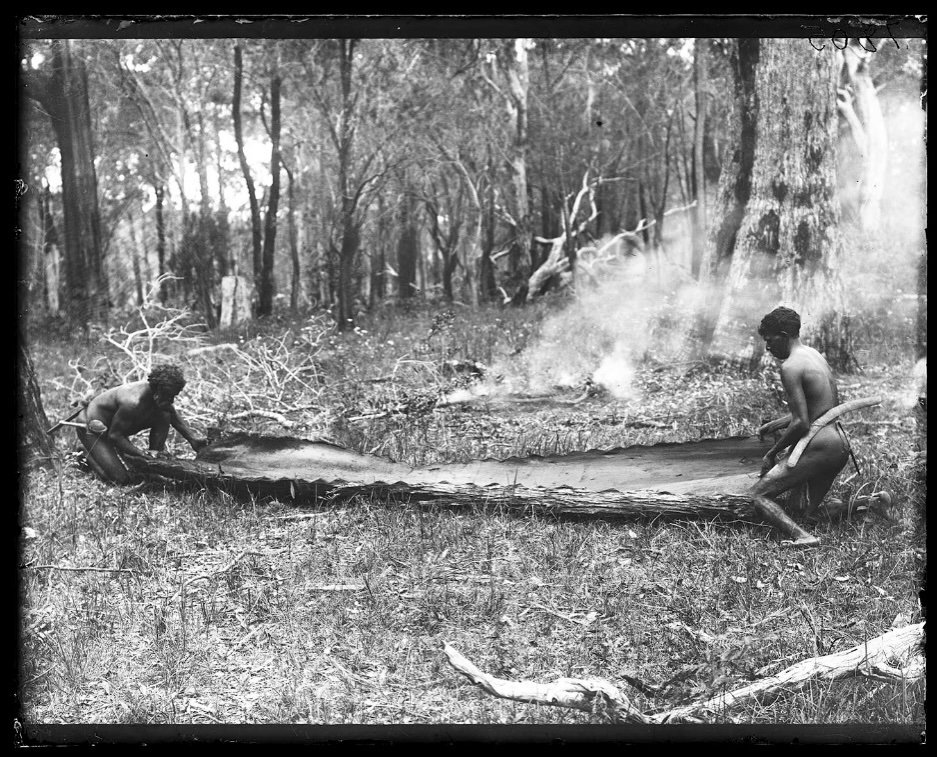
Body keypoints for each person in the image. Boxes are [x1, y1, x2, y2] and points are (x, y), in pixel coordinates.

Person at [749, 307, 851, 548]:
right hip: (839, 444)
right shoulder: (814, 355)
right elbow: (819, 408)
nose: (768, 347)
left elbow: (802, 423)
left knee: (757, 495)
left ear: (784, 336)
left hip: (820, 446)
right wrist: (774, 425)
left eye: (770, 340)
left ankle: (803, 537)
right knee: (803, 512)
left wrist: (772, 453)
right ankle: (870, 502)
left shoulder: (790, 366)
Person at [76, 362, 208, 485]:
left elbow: (173, 416)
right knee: (120, 479)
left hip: (116, 427)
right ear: (158, 392)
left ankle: (154, 457)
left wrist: (194, 439)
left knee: (165, 413)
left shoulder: (159, 397)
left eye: (174, 396)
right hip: (92, 426)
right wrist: (141, 454)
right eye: (169, 396)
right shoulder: (133, 402)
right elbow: (115, 436)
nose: (172, 400)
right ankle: (85, 452)